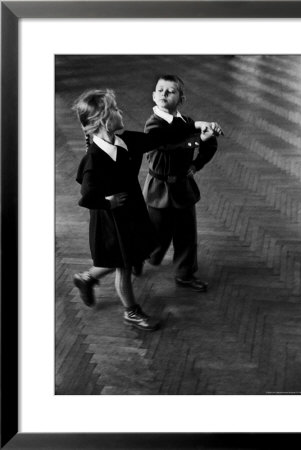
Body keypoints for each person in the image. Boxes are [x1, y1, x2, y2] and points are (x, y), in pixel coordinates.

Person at [72, 89, 216, 330]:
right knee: (124, 266)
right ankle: (131, 311)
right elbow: (87, 197)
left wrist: (198, 135)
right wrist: (108, 202)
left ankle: (86, 278)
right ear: (105, 121)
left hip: (131, 210)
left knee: (127, 256)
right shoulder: (94, 159)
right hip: (111, 219)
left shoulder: (127, 140)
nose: (120, 112)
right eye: (115, 110)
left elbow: (166, 142)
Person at [143, 75, 223, 292]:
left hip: (183, 187)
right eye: (160, 89)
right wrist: (199, 136)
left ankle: (185, 274)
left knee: (187, 234)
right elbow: (170, 144)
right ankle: (139, 259)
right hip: (158, 189)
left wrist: (196, 165)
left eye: (171, 91)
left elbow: (210, 143)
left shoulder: (186, 123)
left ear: (181, 98)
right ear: (153, 95)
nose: (164, 94)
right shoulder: (152, 125)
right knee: (156, 235)